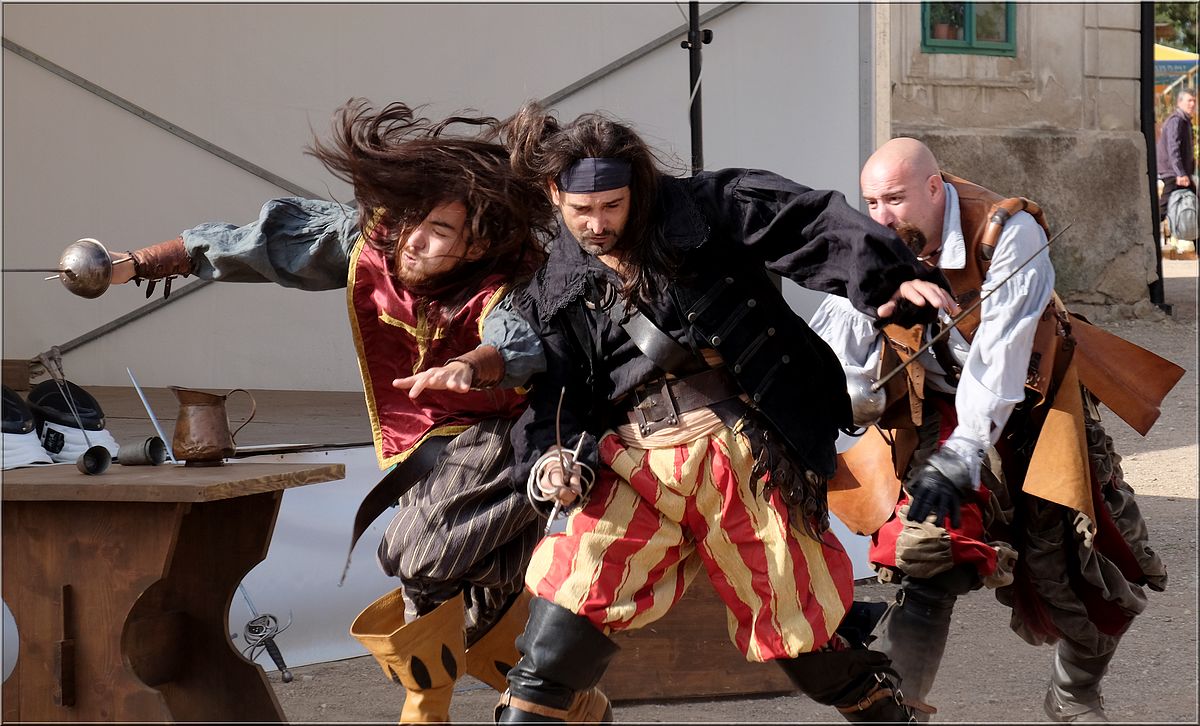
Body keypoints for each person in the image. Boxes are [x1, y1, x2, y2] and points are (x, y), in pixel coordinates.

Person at [77, 100, 610, 723]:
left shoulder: (513, 280)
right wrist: (137, 263)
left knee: (417, 553)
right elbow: (262, 243)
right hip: (428, 442)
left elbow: (517, 342)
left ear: (479, 243)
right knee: (463, 598)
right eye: (411, 219)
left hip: (519, 436)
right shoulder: (371, 240)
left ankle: (426, 712)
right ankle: (573, 704)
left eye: (438, 230)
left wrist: (474, 364)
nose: (413, 239)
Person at [487, 103, 959, 723]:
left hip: (744, 459)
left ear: (638, 188)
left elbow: (809, 224)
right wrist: (552, 460)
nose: (598, 224)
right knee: (559, 626)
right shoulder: (553, 286)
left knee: (806, 639)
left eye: (612, 206)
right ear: (556, 195)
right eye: (582, 210)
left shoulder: (706, 208)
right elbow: (558, 398)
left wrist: (886, 278)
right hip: (633, 466)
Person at [810, 137, 1173, 722]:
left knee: (1095, 563)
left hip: (1036, 407)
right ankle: (897, 712)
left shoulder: (1008, 233)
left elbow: (1000, 358)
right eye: (872, 202)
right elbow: (833, 349)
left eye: (895, 199)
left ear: (935, 188)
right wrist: (867, 326)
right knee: (930, 551)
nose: (882, 217)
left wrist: (965, 454)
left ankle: (1074, 695)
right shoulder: (872, 241)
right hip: (939, 410)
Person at [1156, 88, 1196, 227]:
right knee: (1163, 208)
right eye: (1189, 100)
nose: (1192, 104)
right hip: (1173, 173)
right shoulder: (1176, 121)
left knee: (1193, 205)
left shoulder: (1185, 121)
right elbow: (1173, 148)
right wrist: (1180, 173)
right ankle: (1146, 231)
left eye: (1194, 101)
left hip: (1180, 173)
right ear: (1180, 102)